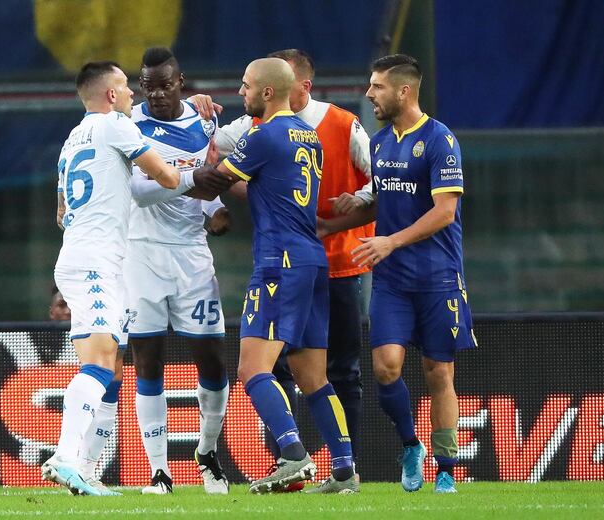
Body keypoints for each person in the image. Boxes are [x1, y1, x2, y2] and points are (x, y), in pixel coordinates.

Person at [74, 47, 232, 495]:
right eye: (149, 85)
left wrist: (215, 209)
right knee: (148, 361)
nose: (158, 93)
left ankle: (207, 453)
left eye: (166, 84)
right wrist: (194, 184)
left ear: (181, 82)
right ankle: (159, 472)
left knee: (213, 362)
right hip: (139, 254)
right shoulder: (127, 125)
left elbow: (209, 178)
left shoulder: (206, 123)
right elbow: (139, 192)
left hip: (192, 255)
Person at [319, 54, 477, 494]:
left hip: (438, 276)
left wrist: (389, 241)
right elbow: (385, 205)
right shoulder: (380, 143)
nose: (370, 94)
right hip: (391, 279)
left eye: (377, 87)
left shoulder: (441, 140)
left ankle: (446, 468)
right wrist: (334, 224)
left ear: (404, 90)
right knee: (386, 368)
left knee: (438, 372)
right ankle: (411, 445)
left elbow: (444, 213)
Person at [213, 49, 373, 484]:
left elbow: (216, 181)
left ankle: (293, 453)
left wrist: (170, 174)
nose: (240, 92)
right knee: (312, 374)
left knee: (252, 369)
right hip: (312, 260)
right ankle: (345, 468)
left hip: (278, 262)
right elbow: (266, 189)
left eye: (246, 85)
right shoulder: (309, 136)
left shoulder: (263, 135)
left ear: (267, 91)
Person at [43, 60, 181, 497]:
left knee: (107, 366)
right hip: (97, 262)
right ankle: (65, 457)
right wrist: (190, 169)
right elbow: (168, 175)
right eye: (125, 87)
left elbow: (62, 212)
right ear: (109, 96)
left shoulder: (71, 141)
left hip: (80, 256)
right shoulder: (115, 126)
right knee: (101, 362)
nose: (132, 94)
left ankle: (83, 469)